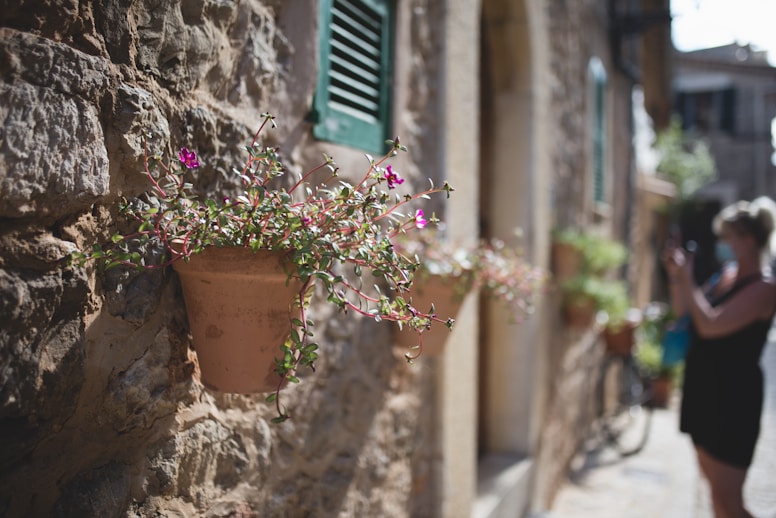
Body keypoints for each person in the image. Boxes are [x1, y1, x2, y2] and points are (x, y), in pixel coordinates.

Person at [663, 197, 776, 518]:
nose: (723, 244)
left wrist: (688, 279)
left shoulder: (765, 289)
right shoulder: (726, 274)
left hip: (733, 398)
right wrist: (676, 276)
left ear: (748, 240)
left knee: (729, 501)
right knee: (715, 495)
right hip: (704, 390)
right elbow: (685, 312)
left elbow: (711, 325)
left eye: (729, 237)